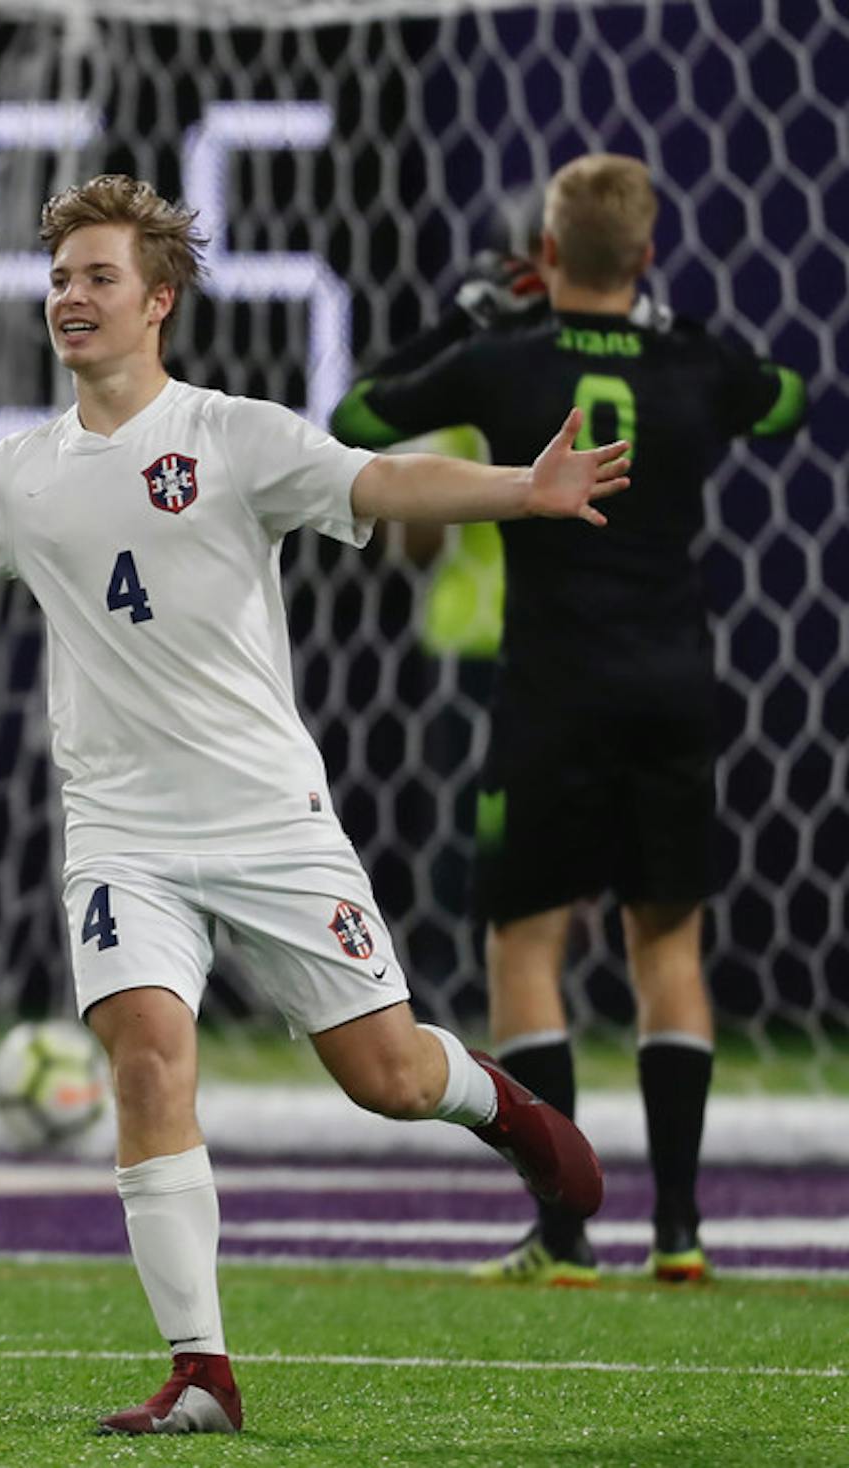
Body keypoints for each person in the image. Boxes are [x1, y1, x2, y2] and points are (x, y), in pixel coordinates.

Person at [0, 173, 616, 1437]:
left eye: (97, 278)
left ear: (158, 301)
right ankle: (203, 1369)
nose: (69, 298)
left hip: (269, 821)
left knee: (392, 1078)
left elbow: (377, 481)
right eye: (59, 278)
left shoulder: (234, 434)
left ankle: (514, 1114)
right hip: (122, 836)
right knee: (148, 1056)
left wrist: (518, 492)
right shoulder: (19, 474)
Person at [331, 154, 808, 1287]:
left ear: (543, 257)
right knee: (668, 943)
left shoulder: (505, 358)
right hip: (675, 679)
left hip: (550, 686)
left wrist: (467, 318)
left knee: (525, 944)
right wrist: (667, 322)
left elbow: (356, 411)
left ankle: (564, 1236)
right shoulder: (692, 361)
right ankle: (682, 1233)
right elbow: (784, 395)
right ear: (645, 256)